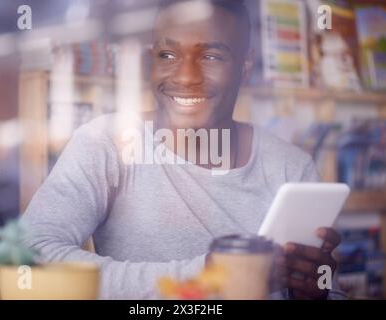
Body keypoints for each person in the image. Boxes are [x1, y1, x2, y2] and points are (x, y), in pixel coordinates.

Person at [22, 0, 346, 299]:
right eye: (167, 55)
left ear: (245, 67)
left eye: (211, 56)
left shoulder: (292, 168)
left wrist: (315, 293)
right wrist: (208, 275)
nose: (186, 76)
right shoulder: (105, 142)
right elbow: (30, 257)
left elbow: (328, 290)